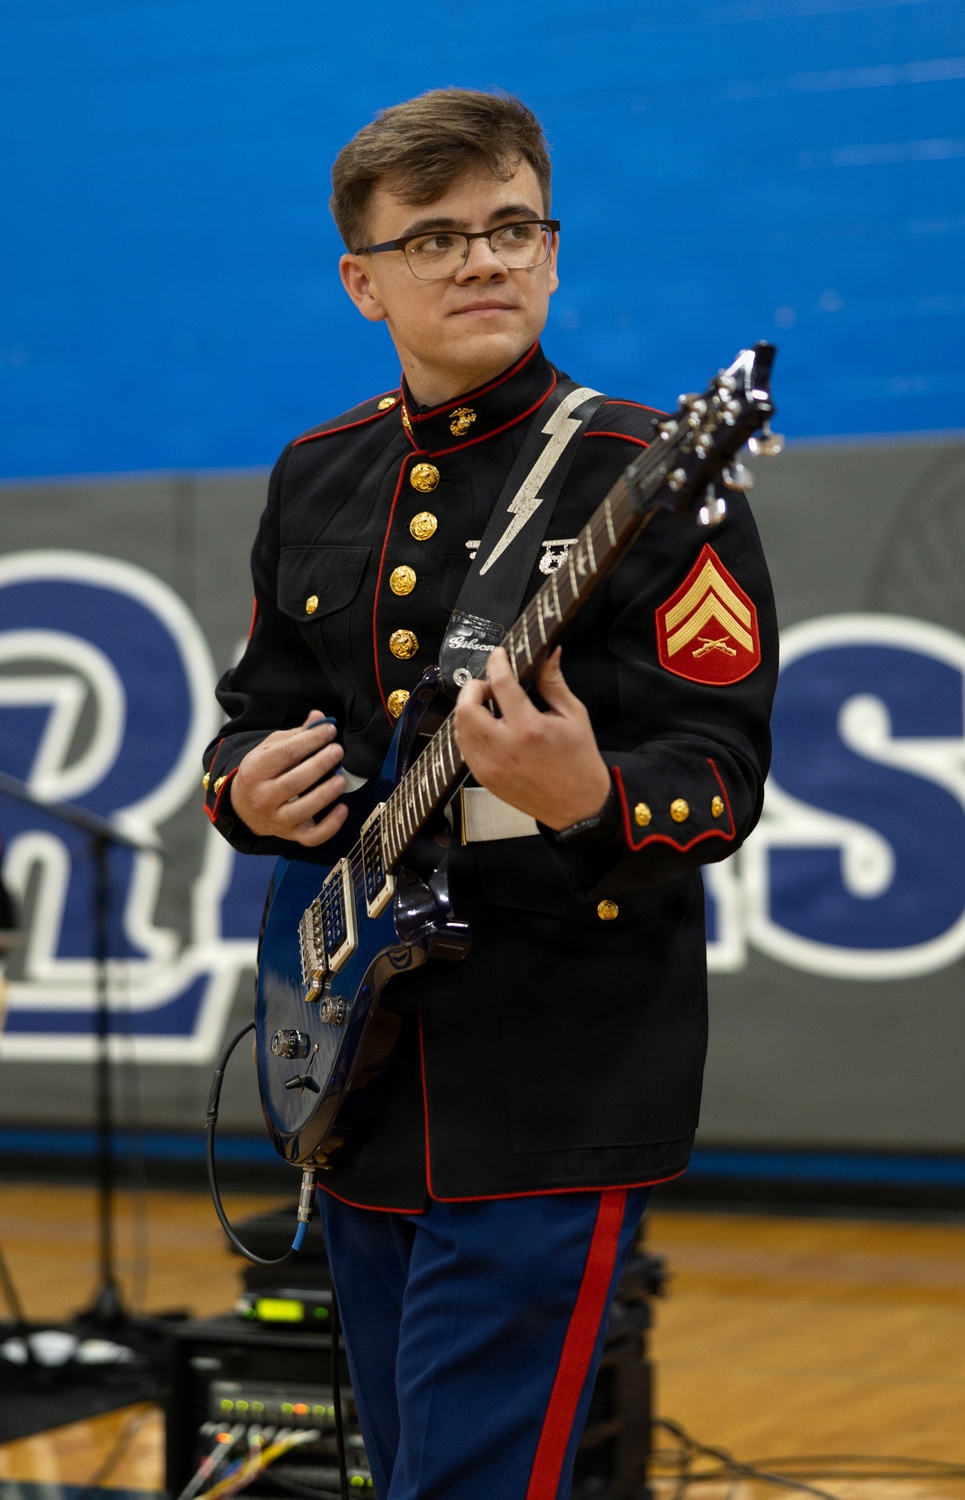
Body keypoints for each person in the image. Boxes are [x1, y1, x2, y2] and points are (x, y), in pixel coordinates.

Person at [204, 89, 777, 1500]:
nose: (483, 261)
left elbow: (719, 777)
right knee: (409, 1468)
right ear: (365, 281)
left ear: (553, 252)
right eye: (438, 236)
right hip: (354, 1064)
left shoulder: (642, 474)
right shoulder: (317, 474)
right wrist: (245, 793)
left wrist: (594, 792)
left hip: (555, 1070)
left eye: (512, 227)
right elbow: (254, 720)